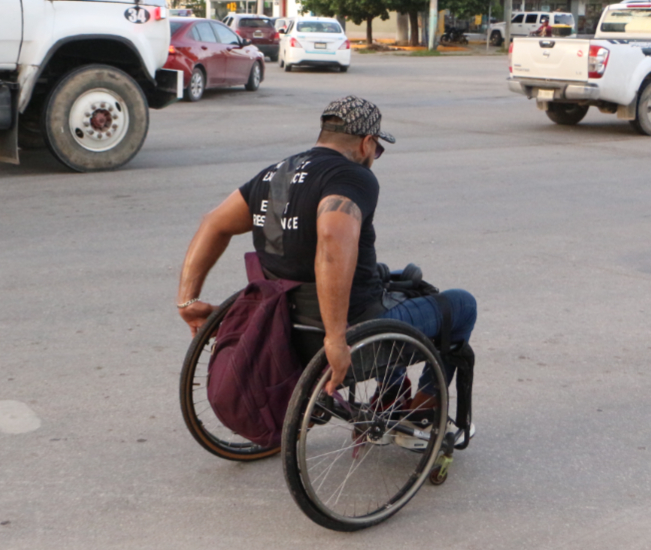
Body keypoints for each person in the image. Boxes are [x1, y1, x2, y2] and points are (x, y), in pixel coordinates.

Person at [176, 96, 477, 395]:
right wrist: (335, 338)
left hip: (285, 324)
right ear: (366, 142)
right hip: (351, 331)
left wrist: (187, 301)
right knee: (461, 304)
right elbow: (332, 237)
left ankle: (391, 393)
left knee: (389, 278)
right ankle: (425, 405)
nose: (375, 155)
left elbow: (213, 224)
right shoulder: (352, 176)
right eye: (378, 149)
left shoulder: (277, 174)